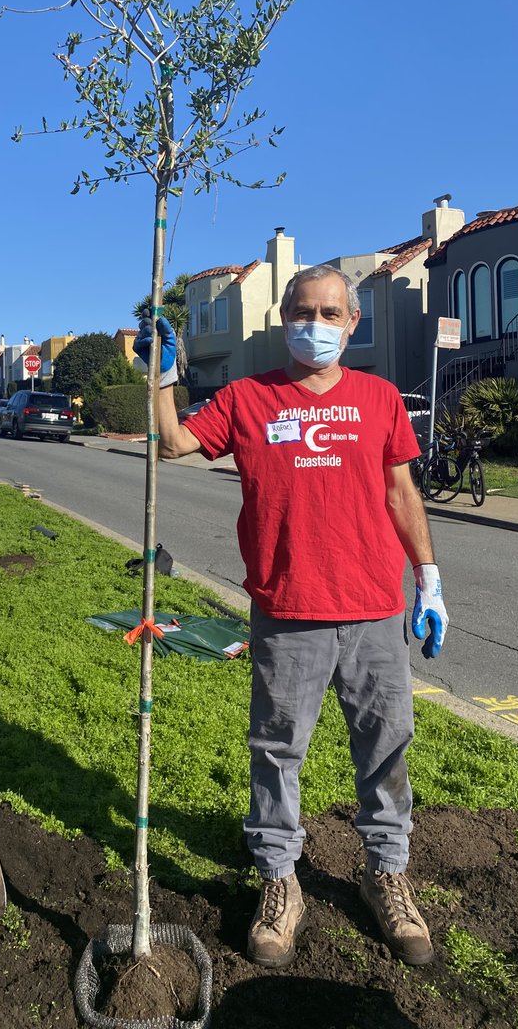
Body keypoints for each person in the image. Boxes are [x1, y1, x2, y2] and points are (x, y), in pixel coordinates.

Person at [134, 264, 449, 969]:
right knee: (276, 754)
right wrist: (159, 379)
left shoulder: (379, 398)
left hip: (374, 609)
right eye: (304, 312)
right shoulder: (249, 398)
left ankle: (386, 874)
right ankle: (280, 880)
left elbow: (401, 491)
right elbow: (175, 443)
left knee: (385, 749)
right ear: (284, 319)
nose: (317, 324)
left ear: (352, 322)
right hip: (288, 610)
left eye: (331, 313)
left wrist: (427, 577)